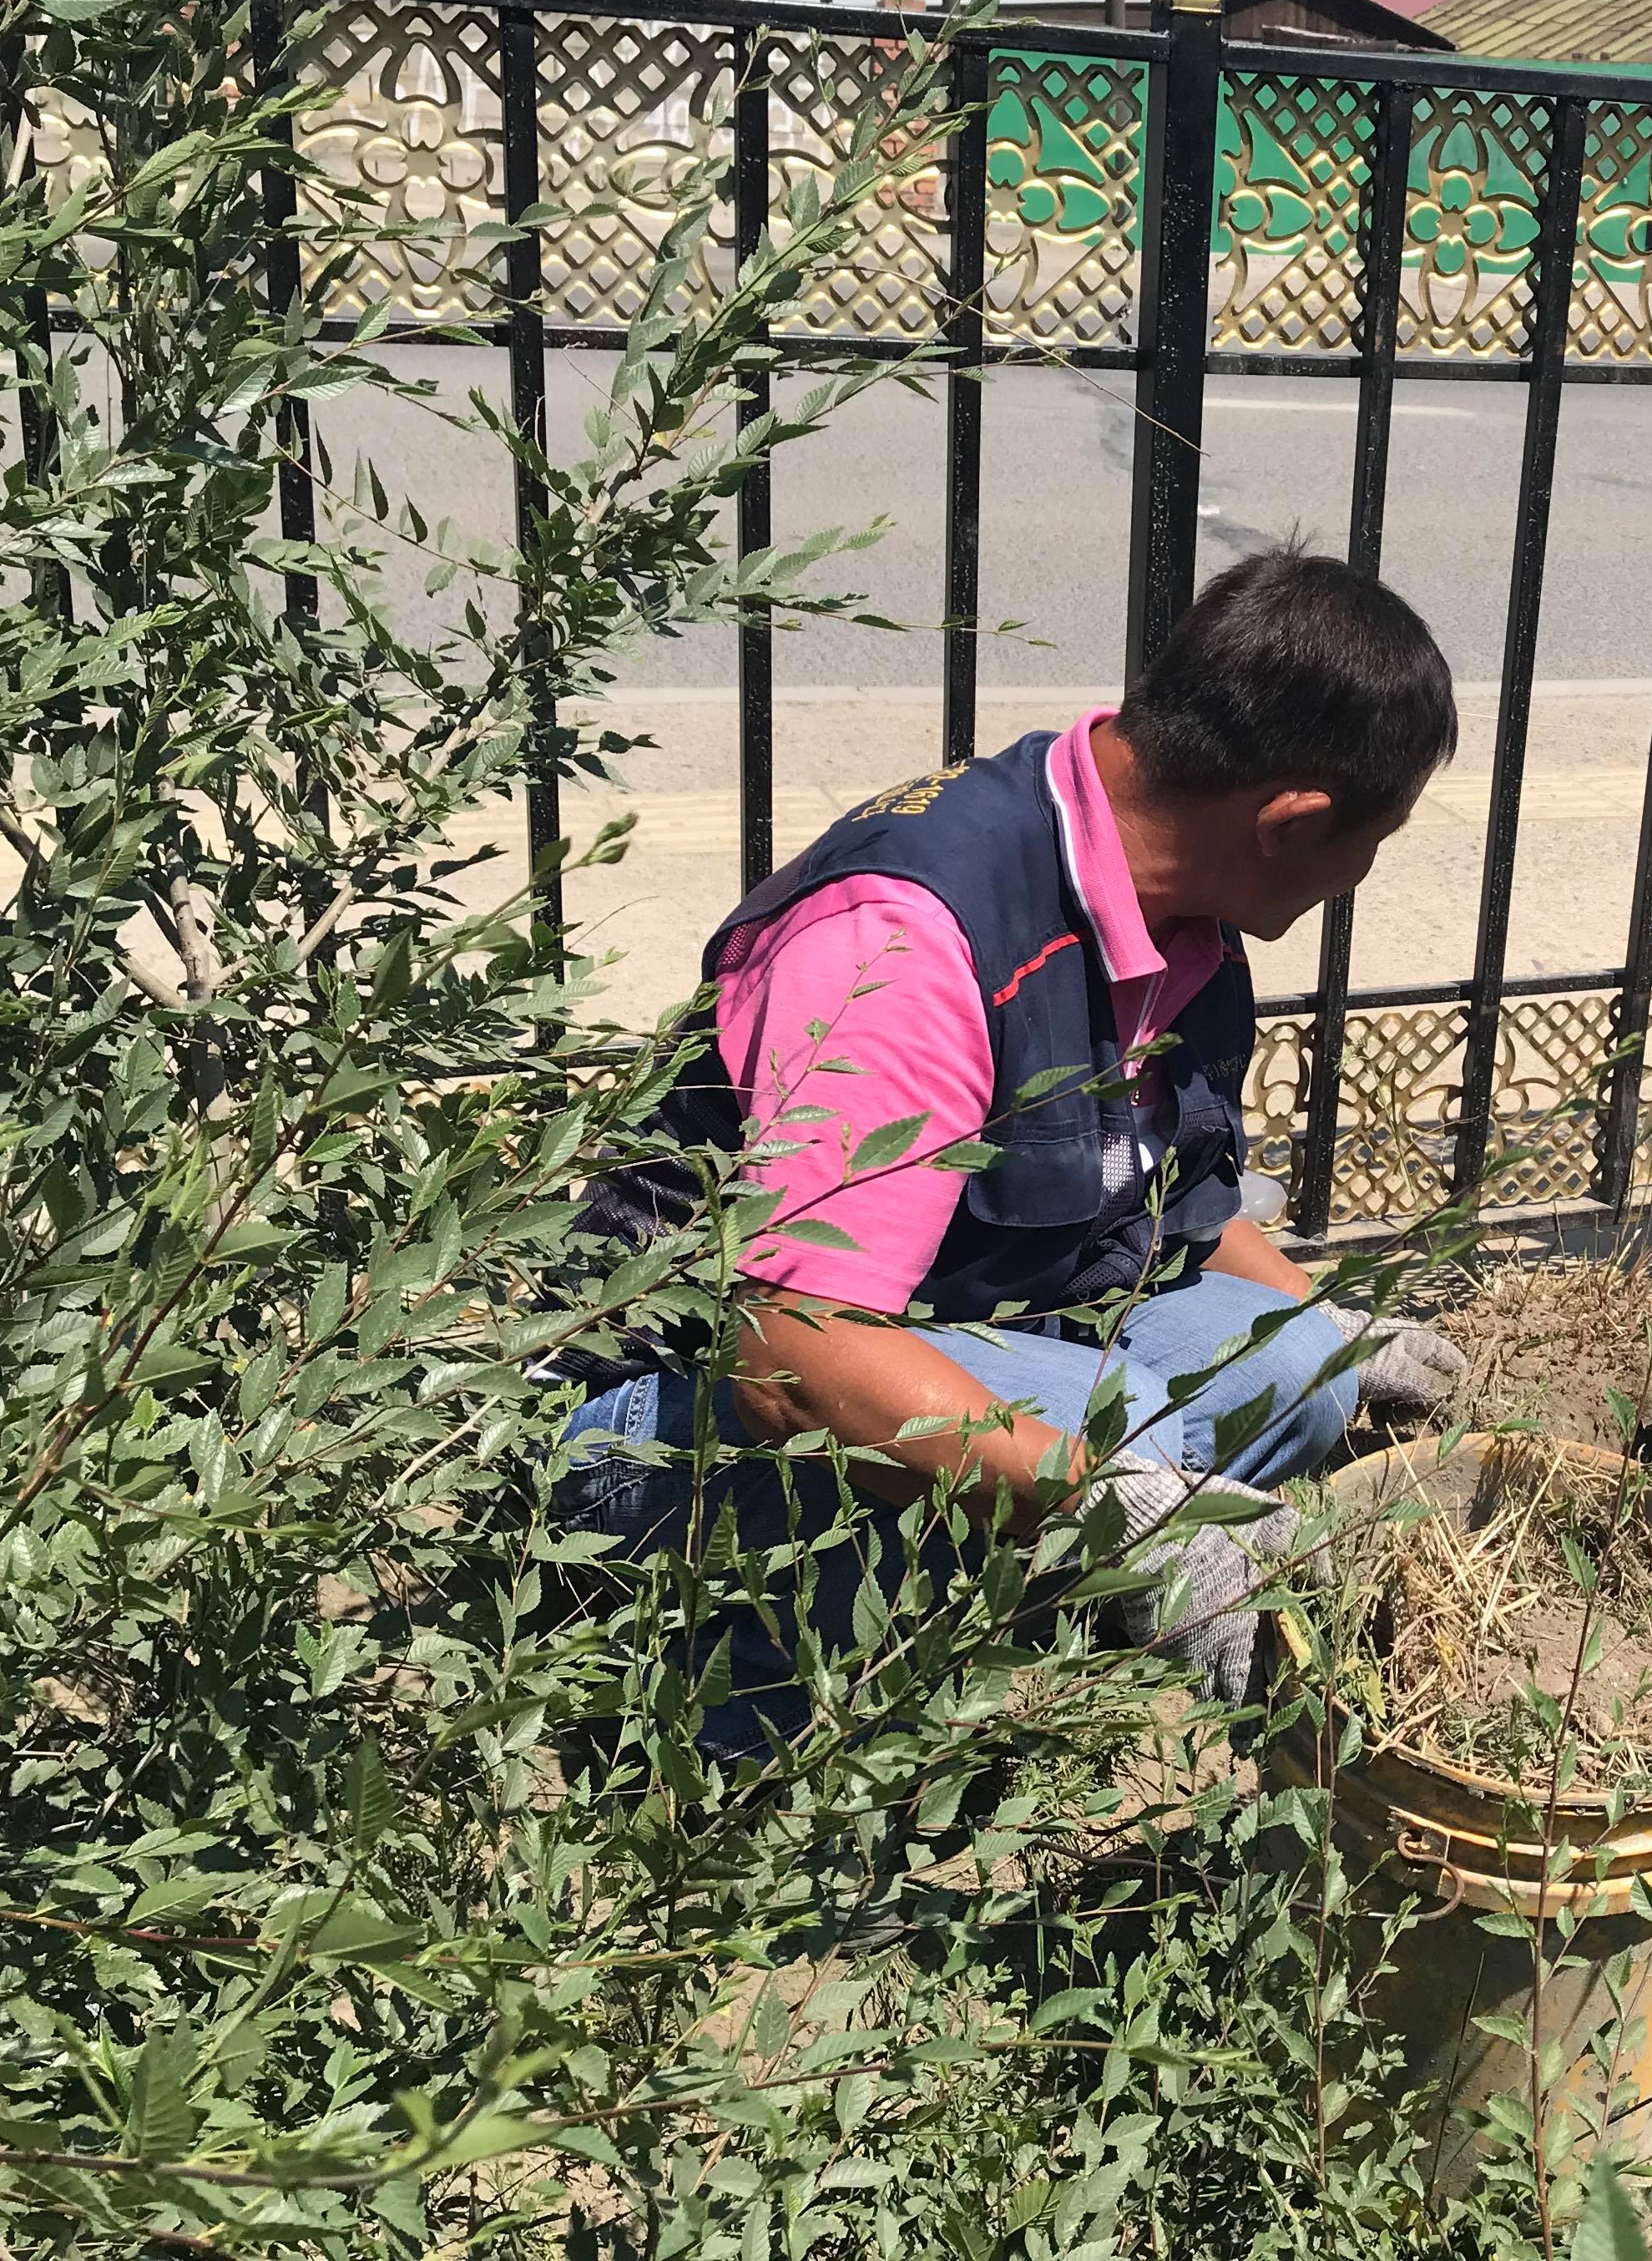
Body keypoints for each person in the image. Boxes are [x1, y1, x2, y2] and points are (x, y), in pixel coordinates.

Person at [551, 546, 1469, 1749]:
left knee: (1288, 1367)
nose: (1361, 878)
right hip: (669, 1404)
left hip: (962, 1322)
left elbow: (1158, 1192)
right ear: (1292, 821)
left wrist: (1335, 1326)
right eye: (1373, 842)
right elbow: (782, 1354)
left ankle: (1014, 1626)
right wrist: (1113, 1505)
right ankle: (741, 1746)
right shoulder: (918, 944)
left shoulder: (1167, 903)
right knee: (1116, 1418)